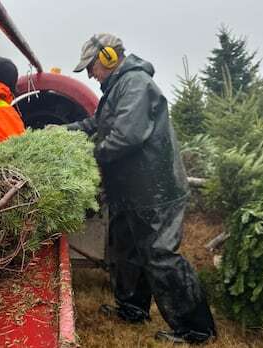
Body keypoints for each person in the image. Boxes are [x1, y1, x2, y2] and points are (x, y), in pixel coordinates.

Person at [64, 33, 216, 344]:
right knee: (126, 251)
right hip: (129, 191)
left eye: (91, 67)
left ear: (108, 57)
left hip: (154, 189)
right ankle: (132, 308)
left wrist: (89, 159)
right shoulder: (116, 88)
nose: (91, 74)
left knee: (160, 254)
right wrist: (61, 133)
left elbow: (126, 136)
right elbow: (97, 124)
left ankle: (196, 329)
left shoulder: (135, 84)